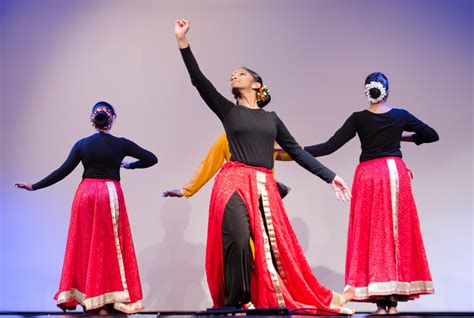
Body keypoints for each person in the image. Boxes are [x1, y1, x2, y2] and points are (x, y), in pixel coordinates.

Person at [174, 19, 352, 314]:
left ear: (256, 84)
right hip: (232, 183)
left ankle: (261, 298)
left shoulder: (271, 118)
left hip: (264, 186)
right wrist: (183, 42)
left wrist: (330, 176)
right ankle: (236, 301)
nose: (234, 75)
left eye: (241, 74)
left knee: (276, 249)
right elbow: (199, 81)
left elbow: (296, 152)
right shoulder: (228, 111)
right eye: (232, 74)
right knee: (239, 240)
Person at [277, 72, 438, 314]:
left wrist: (290, 152)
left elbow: (329, 146)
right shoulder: (400, 116)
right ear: (388, 91)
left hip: (369, 176)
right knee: (393, 235)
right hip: (394, 174)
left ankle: (381, 305)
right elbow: (431, 135)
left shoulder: (358, 119)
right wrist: (402, 136)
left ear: (366, 92)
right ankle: (391, 305)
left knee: (373, 235)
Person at [14, 101, 158, 314]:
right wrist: (130, 165)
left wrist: (34, 186)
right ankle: (108, 299)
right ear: (112, 120)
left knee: (86, 244)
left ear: (92, 120)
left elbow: (62, 171)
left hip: (86, 194)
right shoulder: (121, 144)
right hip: (109, 194)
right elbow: (151, 159)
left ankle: (89, 296)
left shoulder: (82, 144)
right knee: (109, 246)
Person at [162, 132, 291, 199]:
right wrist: (186, 190)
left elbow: (295, 153)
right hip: (239, 197)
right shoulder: (227, 138)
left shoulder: (268, 140)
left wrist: (290, 149)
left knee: (265, 241)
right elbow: (209, 164)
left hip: (263, 198)